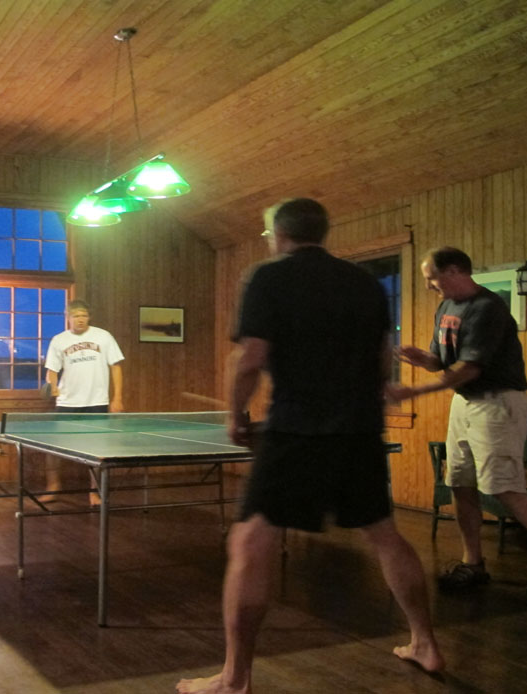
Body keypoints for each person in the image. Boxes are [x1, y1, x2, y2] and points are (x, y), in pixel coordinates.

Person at [177, 199, 443, 694]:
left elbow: (251, 358)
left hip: (297, 429)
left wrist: (235, 415)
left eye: (267, 235)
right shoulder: (364, 282)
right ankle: (425, 642)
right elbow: (382, 354)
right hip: (359, 429)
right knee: (385, 534)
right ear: (322, 232)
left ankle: (234, 679)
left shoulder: (268, 277)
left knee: (250, 542)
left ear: (278, 234)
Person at [390, 247, 527, 597]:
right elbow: (442, 361)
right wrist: (423, 359)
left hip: (498, 404)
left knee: (505, 487)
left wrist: (414, 392)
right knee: (460, 483)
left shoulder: (488, 308)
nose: (429, 286)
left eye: (432, 278)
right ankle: (473, 562)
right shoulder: (446, 307)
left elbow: (469, 368)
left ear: (455, 271)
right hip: (464, 403)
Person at [42, 299, 125, 504]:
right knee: (53, 447)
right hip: (67, 403)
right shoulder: (59, 340)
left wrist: (117, 398)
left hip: (97, 402)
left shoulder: (103, 336)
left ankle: (94, 492)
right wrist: (52, 385)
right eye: (76, 316)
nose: (80, 319)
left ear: (89, 317)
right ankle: (53, 486)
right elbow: (52, 370)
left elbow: (116, 367)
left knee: (97, 449)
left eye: (84, 315)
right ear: (68, 317)